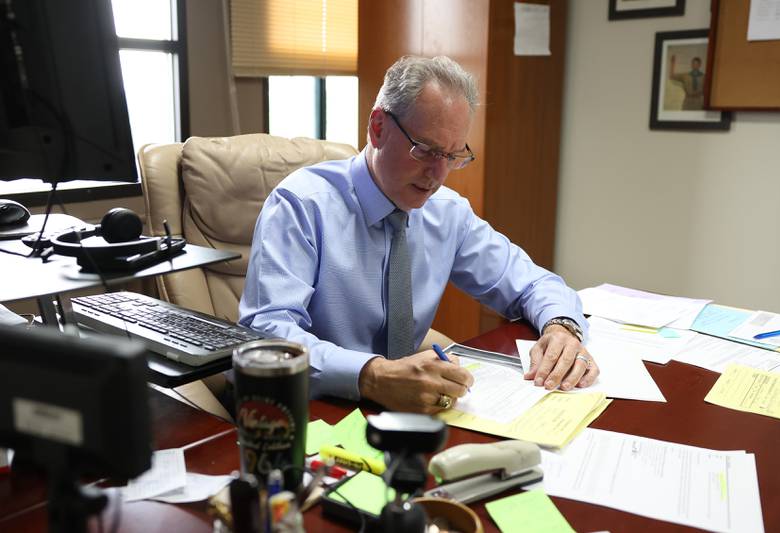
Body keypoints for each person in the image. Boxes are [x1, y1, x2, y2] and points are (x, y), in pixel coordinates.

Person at [239, 55, 598, 414]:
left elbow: (533, 284)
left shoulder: (446, 212)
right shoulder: (301, 205)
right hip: (313, 411)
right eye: (424, 150)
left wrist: (561, 327)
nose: (437, 174)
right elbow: (268, 334)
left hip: (409, 414)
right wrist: (373, 375)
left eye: (453, 156)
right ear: (378, 127)